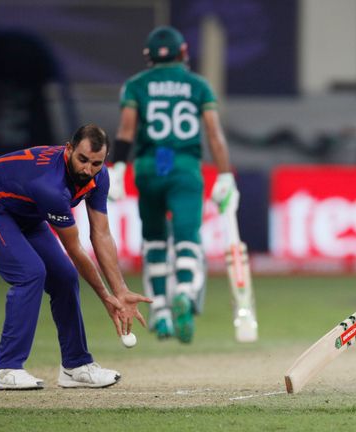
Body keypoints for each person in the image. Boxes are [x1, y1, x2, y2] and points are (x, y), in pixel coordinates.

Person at [0, 124, 152, 390]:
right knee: (30, 273)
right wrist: (106, 298)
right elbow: (75, 249)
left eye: (96, 163)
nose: (87, 169)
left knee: (64, 277)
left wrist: (121, 290)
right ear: (68, 149)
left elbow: (101, 235)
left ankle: (75, 366)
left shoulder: (99, 177)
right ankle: (5, 368)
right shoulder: (51, 187)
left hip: (22, 211)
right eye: (82, 159)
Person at [108, 26, 237, 343]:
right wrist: (225, 174)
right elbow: (214, 135)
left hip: (149, 166)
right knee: (187, 238)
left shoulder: (137, 85)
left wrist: (118, 168)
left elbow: (126, 130)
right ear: (184, 52)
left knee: (153, 241)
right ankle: (183, 289)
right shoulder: (197, 85)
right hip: (184, 166)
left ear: (148, 56)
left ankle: (161, 312)